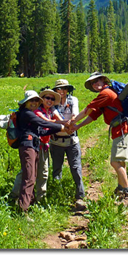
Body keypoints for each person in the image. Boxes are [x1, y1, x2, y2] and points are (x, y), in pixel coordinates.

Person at [69, 72, 128, 203]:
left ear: (104, 80)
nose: (95, 84)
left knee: (115, 162)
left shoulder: (106, 94)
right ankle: (121, 188)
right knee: (120, 162)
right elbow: (93, 115)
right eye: (93, 83)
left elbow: (88, 109)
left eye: (98, 81)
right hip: (121, 129)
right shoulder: (105, 97)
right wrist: (78, 126)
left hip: (122, 129)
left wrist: (72, 121)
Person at [14, 90, 66, 216]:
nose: (34, 103)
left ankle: (28, 204)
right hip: (28, 146)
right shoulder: (26, 113)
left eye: (36, 101)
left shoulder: (30, 114)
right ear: (26, 102)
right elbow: (43, 123)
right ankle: (23, 210)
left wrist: (59, 129)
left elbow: (41, 131)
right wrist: (61, 127)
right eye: (31, 100)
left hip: (34, 145)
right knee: (29, 177)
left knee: (32, 175)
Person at [49, 79, 86, 211]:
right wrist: (67, 126)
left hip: (72, 141)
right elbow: (56, 117)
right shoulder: (51, 102)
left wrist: (71, 123)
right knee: (57, 169)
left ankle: (80, 196)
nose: (62, 91)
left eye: (65, 88)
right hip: (56, 141)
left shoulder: (73, 100)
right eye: (59, 89)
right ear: (56, 91)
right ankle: (57, 195)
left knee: (76, 168)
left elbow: (75, 113)